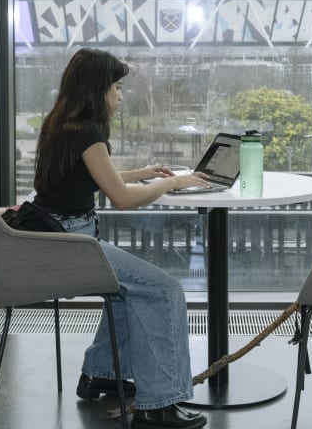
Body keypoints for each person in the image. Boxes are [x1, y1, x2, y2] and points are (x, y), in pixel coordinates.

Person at [32, 48, 211, 429]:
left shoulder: (62, 124)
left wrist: (141, 173)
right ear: (97, 89)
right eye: (116, 86)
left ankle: (102, 374)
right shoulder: (89, 133)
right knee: (163, 290)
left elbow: (93, 176)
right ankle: (157, 406)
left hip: (53, 237)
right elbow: (123, 199)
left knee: (127, 289)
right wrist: (173, 183)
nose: (120, 95)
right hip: (73, 243)